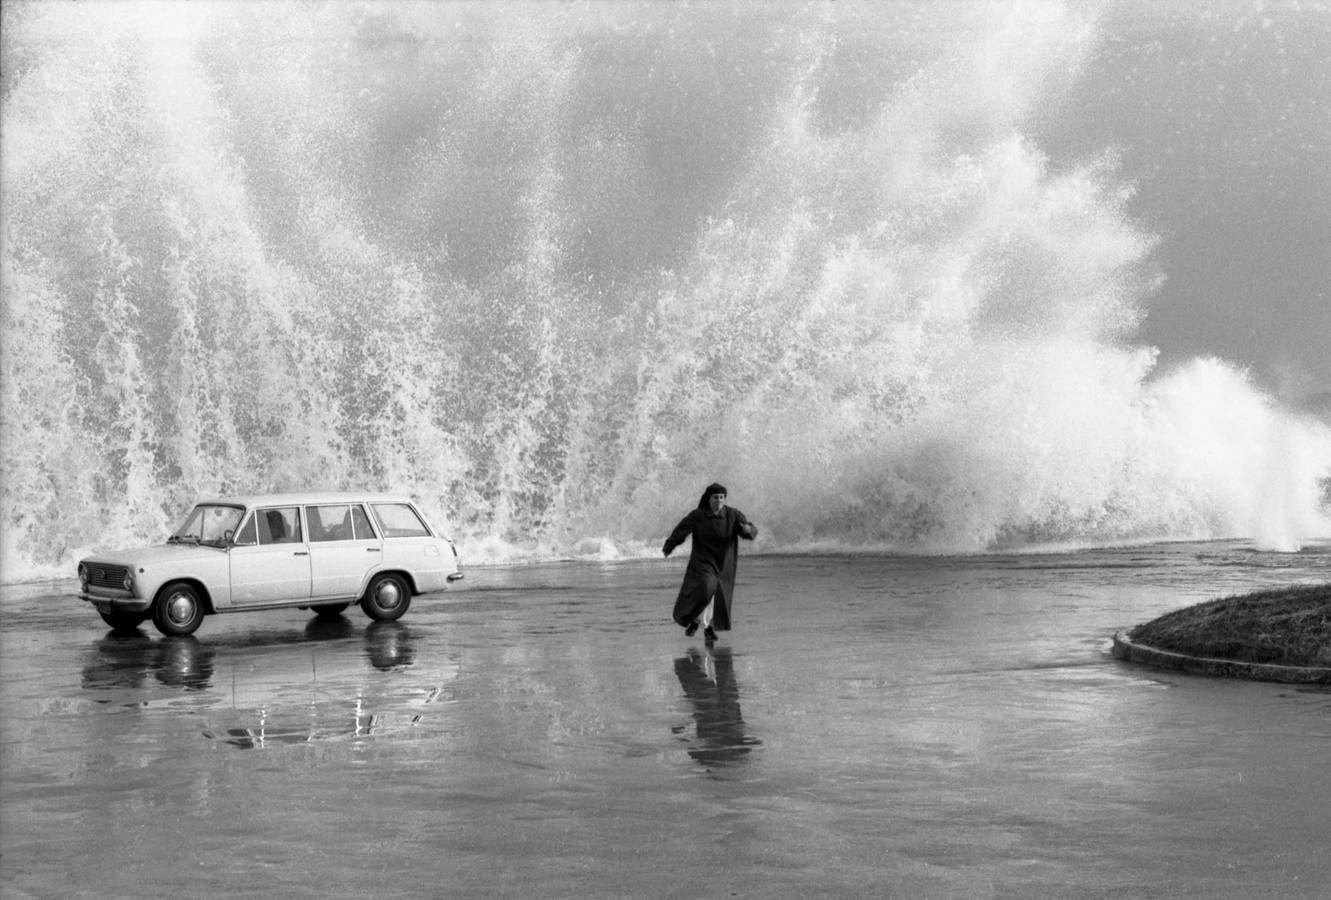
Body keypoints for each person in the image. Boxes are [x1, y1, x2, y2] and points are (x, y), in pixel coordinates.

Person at [662, 482, 758, 641]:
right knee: (706, 588)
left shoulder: (733, 515)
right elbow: (681, 530)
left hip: (724, 562)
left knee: (717, 595)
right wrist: (669, 545)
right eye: (715, 497)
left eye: (722, 497)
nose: (719, 501)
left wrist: (750, 531)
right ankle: (694, 618)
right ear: (708, 498)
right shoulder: (698, 515)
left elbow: (747, 529)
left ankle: (706, 627)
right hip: (703, 560)